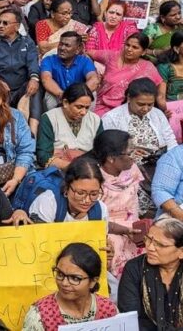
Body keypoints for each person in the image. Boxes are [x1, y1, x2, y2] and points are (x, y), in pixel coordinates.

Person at [83, 130, 145, 278]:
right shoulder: (94, 177)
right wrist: (123, 229)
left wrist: (137, 226)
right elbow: (92, 216)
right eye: (130, 153)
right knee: (114, 248)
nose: (134, 157)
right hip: (106, 227)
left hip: (131, 224)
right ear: (111, 158)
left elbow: (133, 203)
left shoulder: (132, 170)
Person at [23, 243, 118, 330]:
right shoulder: (40, 315)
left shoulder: (108, 310)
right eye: (60, 274)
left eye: (75, 278)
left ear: (93, 281)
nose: (64, 283)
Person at [0, 9, 42, 132]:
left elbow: (33, 63)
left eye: (5, 23)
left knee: (36, 86)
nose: (0, 26)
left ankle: (33, 132)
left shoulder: (27, 43)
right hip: (2, 88)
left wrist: (34, 78)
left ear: (17, 26)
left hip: (22, 88)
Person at [118, 218, 183, 330]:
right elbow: (130, 317)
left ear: (181, 252)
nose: (150, 247)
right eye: (148, 239)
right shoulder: (134, 268)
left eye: (160, 245)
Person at [88, 33, 166, 116]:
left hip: (129, 111)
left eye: (135, 47)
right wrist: (93, 73)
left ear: (144, 52)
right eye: (127, 45)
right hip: (103, 107)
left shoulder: (147, 67)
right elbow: (88, 54)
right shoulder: (112, 56)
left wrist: (160, 97)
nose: (129, 49)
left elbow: (161, 82)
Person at [102, 78, 178, 159]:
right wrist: (129, 152)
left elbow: (171, 142)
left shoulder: (157, 114)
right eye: (140, 104)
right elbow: (109, 149)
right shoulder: (111, 118)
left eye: (150, 104)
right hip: (128, 165)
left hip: (161, 162)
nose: (145, 109)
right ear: (129, 98)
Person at [37, 84, 102, 170]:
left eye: (87, 108)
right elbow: (43, 155)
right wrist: (71, 167)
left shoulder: (95, 120)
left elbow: (101, 151)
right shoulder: (49, 118)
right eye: (79, 107)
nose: (84, 112)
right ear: (65, 103)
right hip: (58, 169)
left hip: (88, 170)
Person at [29, 156, 108, 223]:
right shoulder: (48, 203)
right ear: (67, 188)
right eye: (80, 193)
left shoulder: (101, 211)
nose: (87, 200)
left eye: (94, 194)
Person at [40, 32, 99, 110]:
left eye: (67, 45)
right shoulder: (48, 60)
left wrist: (76, 96)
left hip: (79, 97)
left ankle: (85, 121)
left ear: (77, 49)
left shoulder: (85, 61)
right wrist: (63, 95)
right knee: (49, 95)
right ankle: (54, 121)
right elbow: (46, 79)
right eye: (61, 44)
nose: (62, 48)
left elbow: (94, 80)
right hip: (58, 96)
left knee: (92, 94)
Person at [158, 31, 183, 101]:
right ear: (176, 49)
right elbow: (161, 97)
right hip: (173, 109)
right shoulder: (165, 68)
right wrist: (167, 109)